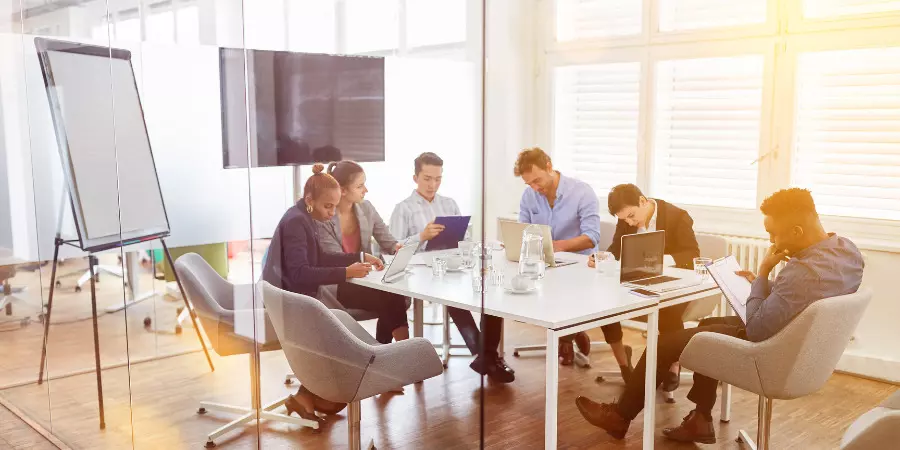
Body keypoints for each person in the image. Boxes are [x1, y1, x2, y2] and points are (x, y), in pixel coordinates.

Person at [575, 188, 864, 444]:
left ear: (798, 232)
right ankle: (701, 419)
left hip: (771, 349)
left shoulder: (802, 272)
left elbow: (758, 328)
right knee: (707, 324)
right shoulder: (847, 251)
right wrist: (766, 287)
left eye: (773, 233)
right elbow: (807, 296)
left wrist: (763, 274)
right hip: (800, 343)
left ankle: (620, 417)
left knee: (663, 345)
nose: (772, 240)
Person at [262, 164, 411, 420]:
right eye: (327, 207)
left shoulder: (303, 215)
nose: (331, 213)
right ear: (310, 200)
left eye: (334, 206)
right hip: (290, 301)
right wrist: (346, 272)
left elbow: (319, 256)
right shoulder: (297, 222)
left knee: (336, 338)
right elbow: (300, 273)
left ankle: (306, 398)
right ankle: (312, 395)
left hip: (298, 296)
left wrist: (359, 256)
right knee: (337, 337)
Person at [390, 152, 515, 383]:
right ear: (415, 177)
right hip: (421, 272)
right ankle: (486, 355)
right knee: (453, 296)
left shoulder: (449, 203)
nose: (432, 184)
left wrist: (463, 242)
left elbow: (465, 237)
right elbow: (394, 248)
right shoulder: (403, 209)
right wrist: (421, 236)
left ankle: (485, 356)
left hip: (453, 265)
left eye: (438, 179)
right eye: (427, 178)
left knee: (490, 295)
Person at [589, 183, 701, 391]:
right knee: (604, 304)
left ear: (643, 200)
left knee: (666, 309)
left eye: (632, 216)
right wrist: (603, 257)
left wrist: (659, 261)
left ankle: (673, 366)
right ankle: (624, 363)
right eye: (625, 220)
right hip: (637, 279)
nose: (630, 222)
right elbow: (616, 247)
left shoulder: (677, 216)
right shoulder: (626, 220)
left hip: (672, 282)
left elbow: (692, 254)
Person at [514, 148, 608, 368]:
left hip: (577, 265)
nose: (535, 188)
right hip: (543, 263)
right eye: (529, 184)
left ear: (549, 166)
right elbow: (523, 230)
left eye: (537, 180)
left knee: (564, 289)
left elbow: (592, 237)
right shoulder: (529, 196)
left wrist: (559, 246)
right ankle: (572, 333)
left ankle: (567, 336)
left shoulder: (582, 192)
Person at [316, 161, 402, 302]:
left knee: (394, 295)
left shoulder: (366, 208)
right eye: (359, 186)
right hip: (339, 283)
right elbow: (336, 260)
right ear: (342, 190)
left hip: (365, 279)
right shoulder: (324, 218)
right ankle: (400, 325)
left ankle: (399, 326)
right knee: (391, 297)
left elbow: (388, 242)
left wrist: (396, 248)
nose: (366, 190)